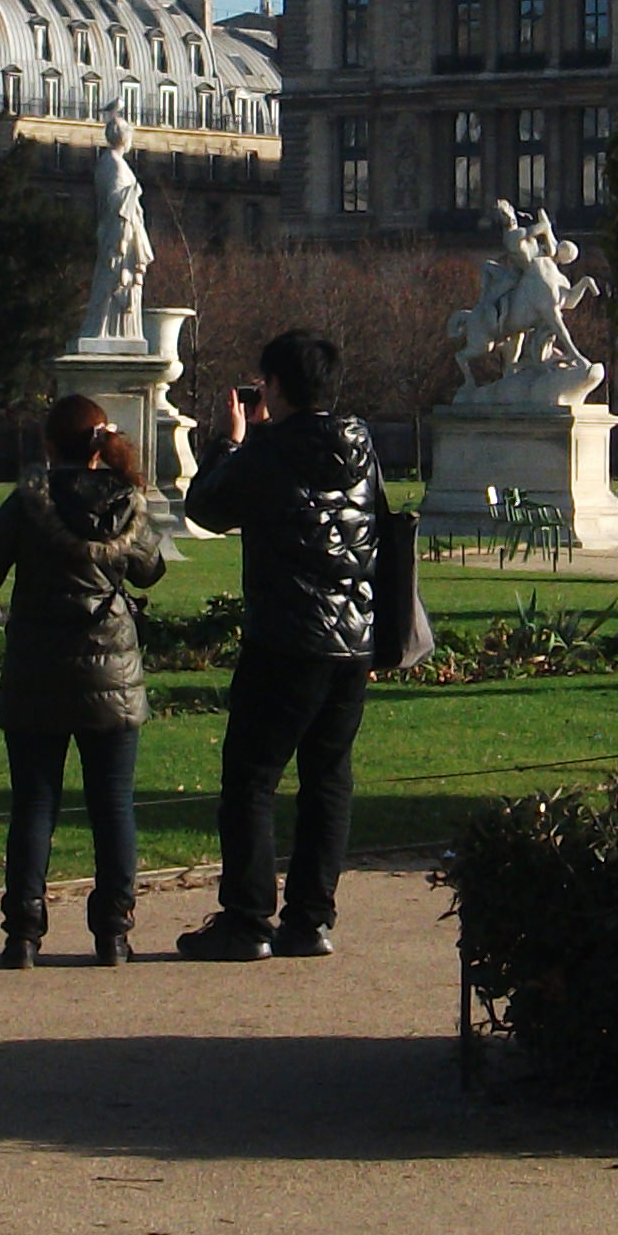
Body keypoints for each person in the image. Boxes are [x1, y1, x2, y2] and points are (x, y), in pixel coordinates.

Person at [175, 327, 383, 961]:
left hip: (288, 635)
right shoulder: (361, 447)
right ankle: (310, 917)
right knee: (327, 778)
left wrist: (227, 442)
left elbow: (207, 508)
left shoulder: (268, 453)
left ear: (277, 387)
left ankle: (246, 917)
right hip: (353, 639)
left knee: (252, 777)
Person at [0, 395, 168, 966]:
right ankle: (113, 933)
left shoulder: (29, 502)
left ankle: (23, 932)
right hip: (112, 667)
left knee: (34, 803)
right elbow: (150, 569)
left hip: (37, 668)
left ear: (50, 444)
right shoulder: (127, 502)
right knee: (113, 805)